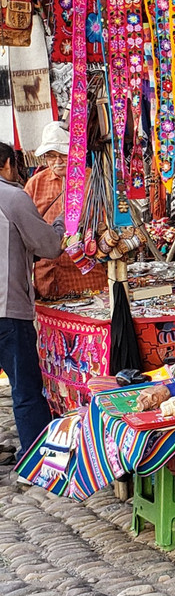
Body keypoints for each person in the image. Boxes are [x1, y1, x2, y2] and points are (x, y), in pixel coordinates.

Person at [0, 141, 63, 458]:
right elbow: (48, 246)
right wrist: (61, 225)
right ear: (8, 164)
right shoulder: (12, 197)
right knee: (25, 389)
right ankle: (37, 460)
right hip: (7, 309)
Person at [23, 121, 106, 299]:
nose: (58, 161)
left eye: (63, 154)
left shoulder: (93, 181)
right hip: (46, 277)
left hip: (86, 277)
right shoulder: (36, 183)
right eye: (51, 156)